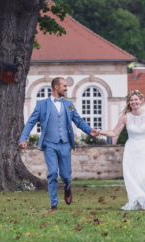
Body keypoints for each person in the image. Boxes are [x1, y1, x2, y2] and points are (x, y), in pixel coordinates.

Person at [18, 77, 99, 211]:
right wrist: (23, 139)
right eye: (65, 86)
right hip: (49, 144)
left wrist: (90, 131)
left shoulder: (69, 105)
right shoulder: (42, 104)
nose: (67, 88)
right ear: (56, 87)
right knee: (53, 173)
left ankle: (67, 188)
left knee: (66, 175)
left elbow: (78, 121)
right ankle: (53, 204)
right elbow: (31, 122)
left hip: (65, 144)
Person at [98, 90, 145, 210]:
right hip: (132, 149)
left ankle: (144, 196)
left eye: (136, 99)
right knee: (134, 176)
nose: (134, 102)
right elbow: (115, 132)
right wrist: (101, 132)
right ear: (129, 103)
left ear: (141, 100)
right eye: (131, 100)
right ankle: (137, 198)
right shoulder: (125, 118)